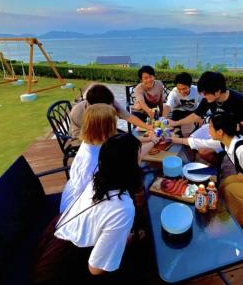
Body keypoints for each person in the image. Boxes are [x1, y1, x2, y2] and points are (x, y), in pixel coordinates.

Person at [33, 133, 144, 284]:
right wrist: (126, 240)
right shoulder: (122, 208)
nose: (141, 159)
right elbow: (96, 269)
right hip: (59, 271)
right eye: (138, 156)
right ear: (129, 167)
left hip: (51, 240)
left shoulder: (99, 178)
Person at [60, 103, 160, 213]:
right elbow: (133, 157)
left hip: (84, 195)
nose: (116, 128)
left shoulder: (92, 140)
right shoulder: (96, 160)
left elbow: (122, 143)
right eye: (114, 125)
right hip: (80, 208)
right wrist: (153, 142)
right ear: (105, 130)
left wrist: (150, 139)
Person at [167, 71, 243, 160]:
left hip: (230, 133)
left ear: (217, 91)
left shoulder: (238, 99)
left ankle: (220, 167)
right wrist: (176, 123)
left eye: (205, 93)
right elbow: (196, 116)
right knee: (190, 141)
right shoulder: (209, 98)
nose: (203, 96)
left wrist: (240, 125)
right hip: (214, 128)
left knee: (203, 152)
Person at [70, 84, 151, 139]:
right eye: (109, 106)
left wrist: (148, 127)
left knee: (129, 139)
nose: (112, 106)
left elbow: (129, 117)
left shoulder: (110, 101)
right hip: (84, 137)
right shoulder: (78, 112)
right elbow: (91, 136)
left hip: (105, 132)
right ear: (96, 108)